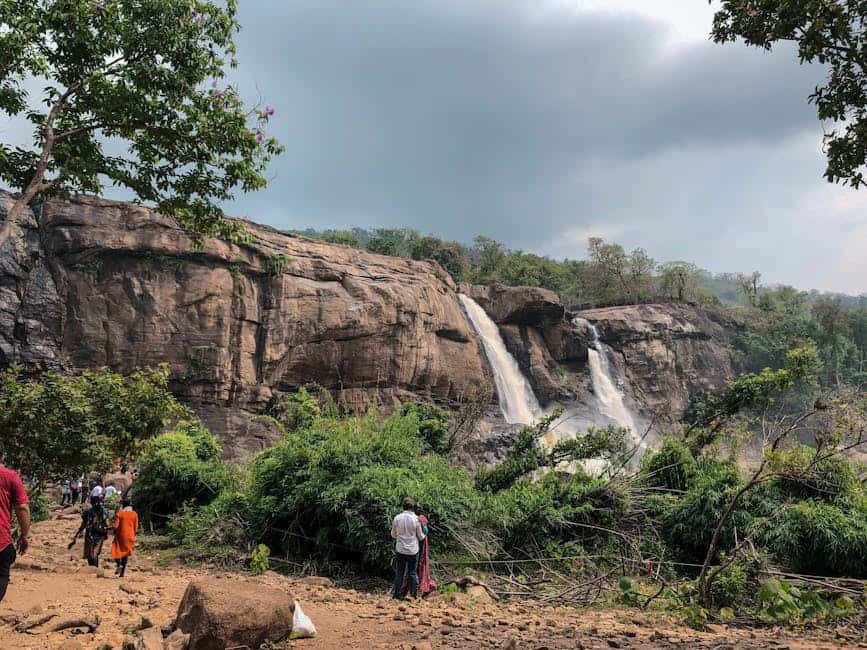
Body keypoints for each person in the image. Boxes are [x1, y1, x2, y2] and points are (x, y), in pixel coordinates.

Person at [0, 458, 30, 603]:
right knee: (1, 575)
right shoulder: (10, 476)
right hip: (1, 541)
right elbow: (22, 508)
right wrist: (24, 535)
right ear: (2, 457)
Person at [391, 497, 425, 600]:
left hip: (400, 549)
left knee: (399, 572)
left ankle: (396, 595)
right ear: (413, 507)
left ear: (403, 507)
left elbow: (393, 534)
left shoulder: (397, 518)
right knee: (412, 572)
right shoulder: (416, 519)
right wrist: (425, 534)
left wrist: (401, 538)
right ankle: (413, 595)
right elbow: (420, 536)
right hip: (413, 550)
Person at [68, 497, 109, 567]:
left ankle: (93, 568)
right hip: (100, 533)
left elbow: (83, 524)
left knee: (90, 553)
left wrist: (77, 535)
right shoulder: (103, 511)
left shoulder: (88, 512)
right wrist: (106, 532)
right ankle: (95, 568)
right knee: (95, 553)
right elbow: (106, 523)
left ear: (92, 503)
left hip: (90, 533)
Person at [110, 499, 138, 578]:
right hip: (130, 536)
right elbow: (136, 527)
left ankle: (119, 564)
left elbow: (116, 526)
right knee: (125, 554)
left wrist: (113, 530)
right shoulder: (134, 514)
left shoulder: (120, 514)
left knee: (116, 550)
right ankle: (122, 573)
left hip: (120, 536)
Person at [414, 506, 437, 596]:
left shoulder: (416, 518)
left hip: (417, 541)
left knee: (416, 564)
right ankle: (423, 585)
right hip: (422, 542)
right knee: (422, 563)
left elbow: (425, 530)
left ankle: (418, 586)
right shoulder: (422, 518)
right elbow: (426, 531)